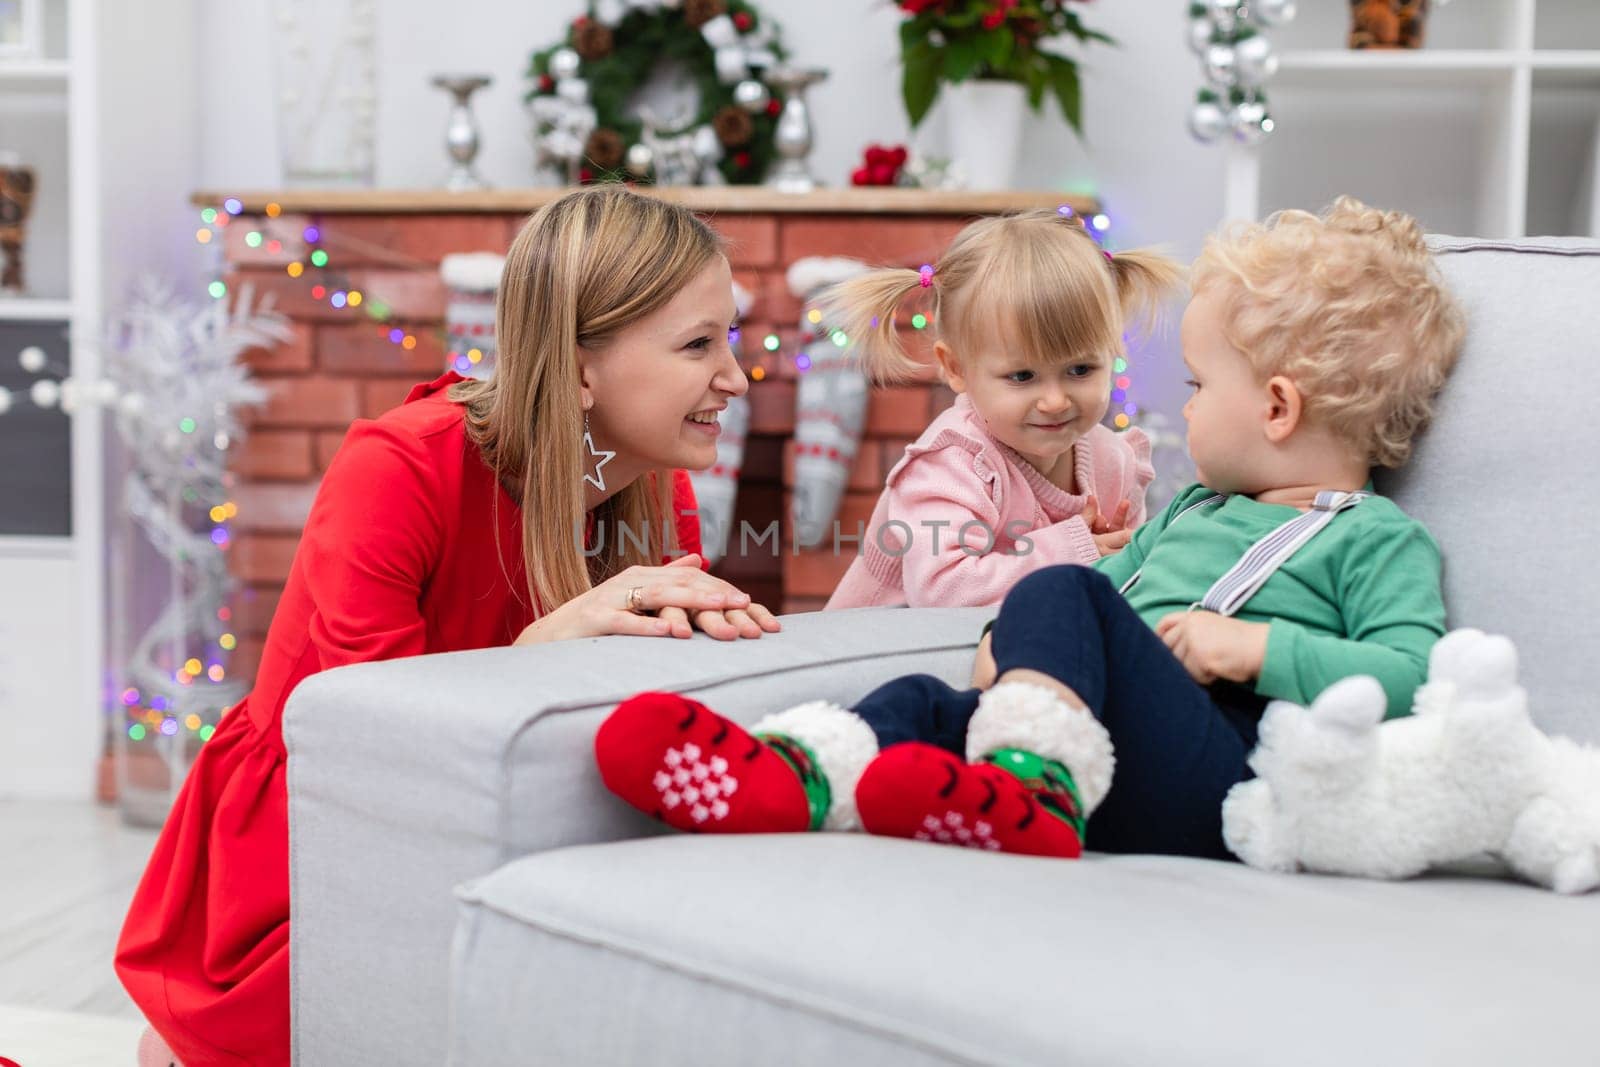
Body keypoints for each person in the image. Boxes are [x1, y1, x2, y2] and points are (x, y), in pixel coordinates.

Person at [116, 185, 779, 1067]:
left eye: (729, 337)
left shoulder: (661, 499)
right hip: (315, 855)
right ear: (581, 367)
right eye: (700, 344)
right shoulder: (398, 471)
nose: (736, 376)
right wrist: (552, 641)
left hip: (506, 826)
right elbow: (372, 751)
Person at [595, 197, 1465, 861]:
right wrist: (1008, 642)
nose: (1182, 406)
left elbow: (1417, 675)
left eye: (1198, 387)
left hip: (1225, 764)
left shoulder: (1374, 538)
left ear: (1277, 408)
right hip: (1109, 743)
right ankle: (796, 771)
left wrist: (1253, 649)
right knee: (927, 704)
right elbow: (1094, 607)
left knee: (1061, 587)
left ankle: (1031, 788)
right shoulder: (1190, 513)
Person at [825, 208, 1183, 609]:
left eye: (1080, 369)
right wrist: (1074, 551)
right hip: (889, 653)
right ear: (956, 369)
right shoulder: (951, 465)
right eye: (1022, 377)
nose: (1055, 401)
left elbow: (1127, 580)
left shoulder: (1112, 461)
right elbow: (942, 592)